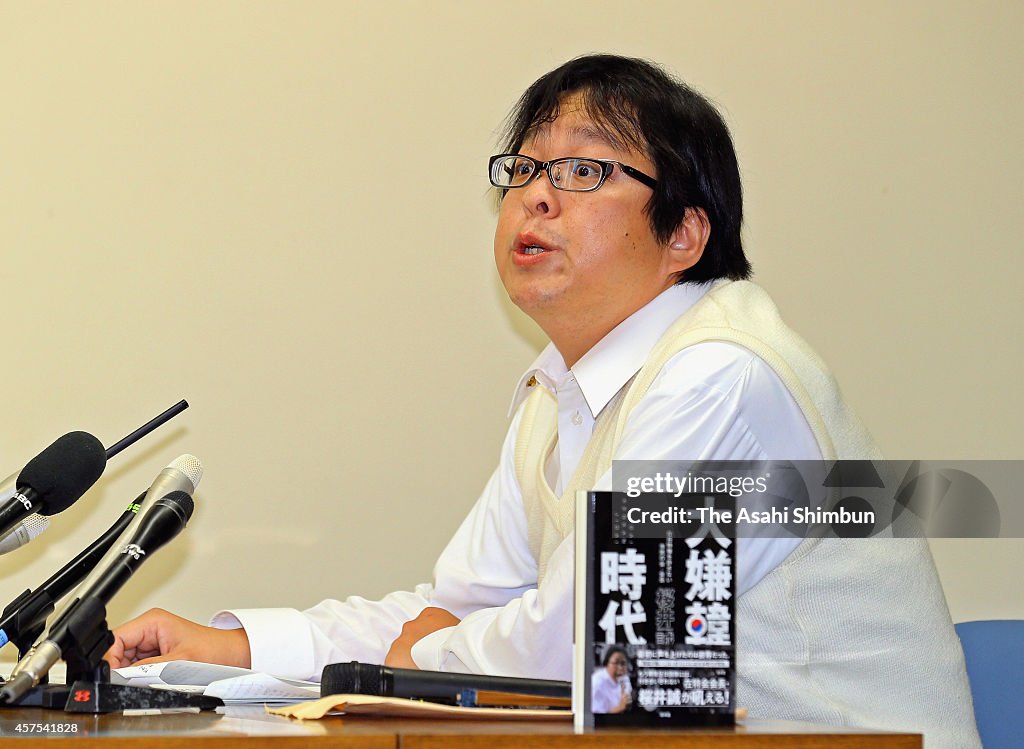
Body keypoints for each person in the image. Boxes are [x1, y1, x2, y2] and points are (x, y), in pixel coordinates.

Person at [105, 54, 980, 747]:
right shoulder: (558, 392)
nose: (535, 193)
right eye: (524, 167)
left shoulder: (724, 374)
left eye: (586, 170)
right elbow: (459, 606)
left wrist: (418, 657)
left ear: (683, 233)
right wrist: (240, 646)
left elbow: (594, 648)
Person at [591, 645, 632, 714]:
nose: (620, 667)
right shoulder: (597, 681)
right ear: (607, 663)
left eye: (623, 663)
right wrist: (620, 707)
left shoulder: (625, 678)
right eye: (616, 663)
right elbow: (595, 715)